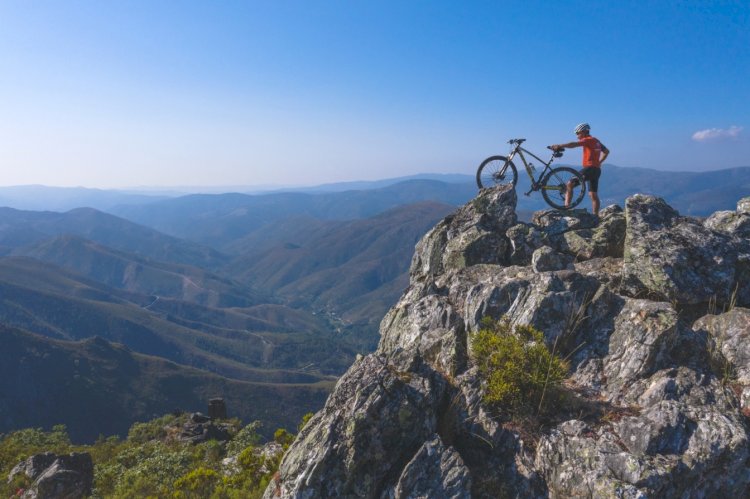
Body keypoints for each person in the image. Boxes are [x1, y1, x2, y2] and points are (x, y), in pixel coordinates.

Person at [549, 123, 609, 216]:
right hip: (596, 170)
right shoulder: (596, 141)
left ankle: (566, 208)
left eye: (578, 133)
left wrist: (560, 145)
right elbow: (606, 151)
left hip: (589, 168)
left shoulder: (588, 140)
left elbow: (573, 144)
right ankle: (595, 216)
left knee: (569, 184)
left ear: (584, 132)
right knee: (593, 195)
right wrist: (600, 162)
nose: (577, 136)